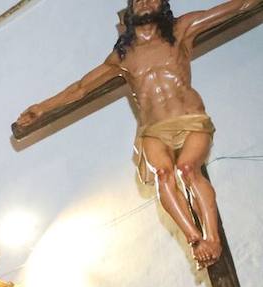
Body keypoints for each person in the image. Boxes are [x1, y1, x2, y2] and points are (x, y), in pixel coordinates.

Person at [15, 0, 262, 267]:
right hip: (153, 128)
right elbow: (80, 88)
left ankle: (212, 238)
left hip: (190, 119)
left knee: (188, 168)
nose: (145, 0)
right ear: (130, 11)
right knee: (164, 174)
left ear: (163, 5)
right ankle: (194, 239)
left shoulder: (181, 30)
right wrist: (42, 108)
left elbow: (235, 7)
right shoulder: (123, 56)